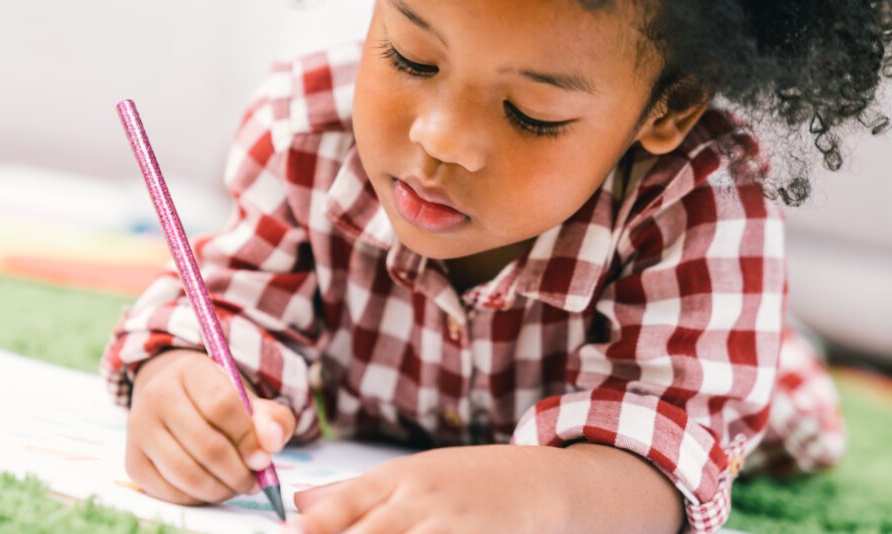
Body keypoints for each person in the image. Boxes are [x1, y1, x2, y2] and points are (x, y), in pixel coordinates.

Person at [101, 1, 891, 532]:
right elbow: (234, 304)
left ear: (667, 109)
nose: (440, 139)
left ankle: (786, 340)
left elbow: (679, 441)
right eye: (411, 58)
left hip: (717, 363)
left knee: (795, 422)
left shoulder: (702, 195)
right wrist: (187, 381)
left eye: (530, 114)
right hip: (411, 403)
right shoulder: (306, 123)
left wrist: (547, 498)